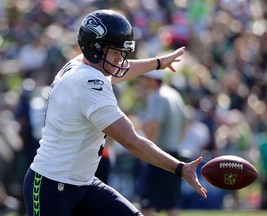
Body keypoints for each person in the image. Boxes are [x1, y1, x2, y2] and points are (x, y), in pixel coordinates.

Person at [22, 9, 207, 216]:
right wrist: (180, 168)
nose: (120, 59)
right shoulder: (88, 84)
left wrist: (157, 63)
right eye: (116, 52)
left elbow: (120, 70)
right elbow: (131, 141)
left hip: (84, 183)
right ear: (95, 47)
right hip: (51, 185)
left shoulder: (83, 64)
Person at [138, 70, 189, 216]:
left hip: (159, 155)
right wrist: (177, 141)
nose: (143, 81)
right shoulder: (175, 95)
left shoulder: (156, 96)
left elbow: (154, 125)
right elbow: (186, 122)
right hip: (175, 154)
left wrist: (148, 150)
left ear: (152, 80)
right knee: (171, 205)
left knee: (147, 204)